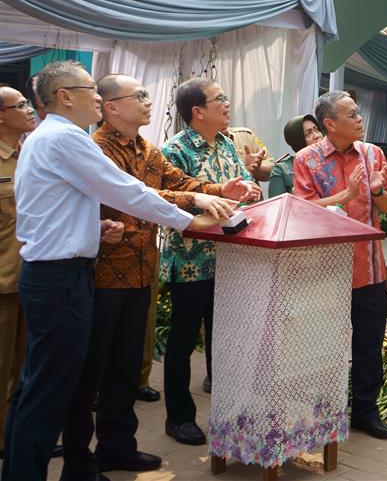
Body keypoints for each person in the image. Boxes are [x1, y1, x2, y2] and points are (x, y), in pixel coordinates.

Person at [3, 61, 224, 481]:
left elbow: (57, 206)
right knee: (48, 392)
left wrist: (93, 228)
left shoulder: (50, 137)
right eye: (91, 89)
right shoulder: (67, 139)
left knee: (39, 386)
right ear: (65, 96)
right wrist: (188, 220)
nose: (99, 98)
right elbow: (125, 190)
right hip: (60, 278)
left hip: (58, 272)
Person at [60, 75, 254, 478]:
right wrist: (197, 198)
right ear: (111, 107)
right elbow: (133, 193)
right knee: (91, 371)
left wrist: (218, 188)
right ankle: (79, 459)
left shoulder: (146, 149)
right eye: (141, 96)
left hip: (141, 269)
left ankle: (118, 447)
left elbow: (176, 182)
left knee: (127, 368)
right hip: (103, 273)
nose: (150, 102)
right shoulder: (98, 148)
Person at [160, 78, 260, 446]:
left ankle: (228, 408)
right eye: (220, 99)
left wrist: (250, 188)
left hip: (230, 259)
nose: (227, 104)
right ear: (197, 111)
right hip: (190, 261)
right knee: (184, 340)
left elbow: (245, 184)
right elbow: (170, 204)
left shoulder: (228, 144)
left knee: (227, 336)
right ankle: (179, 418)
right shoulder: (175, 151)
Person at [293, 91, 387, 439]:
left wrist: (379, 190)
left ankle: (366, 412)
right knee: (323, 347)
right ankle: (323, 415)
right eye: (351, 114)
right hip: (325, 273)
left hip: (369, 268)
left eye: (358, 112)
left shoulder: (373, 154)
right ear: (330, 123)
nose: (359, 118)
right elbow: (304, 212)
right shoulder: (307, 159)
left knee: (369, 345)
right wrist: (345, 196)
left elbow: (385, 208)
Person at [0, 85, 36, 455]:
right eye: (21, 105)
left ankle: (14, 438)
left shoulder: (30, 153)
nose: (30, 109)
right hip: (2, 282)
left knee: (26, 367)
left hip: (32, 277)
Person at [268, 114, 323, 197]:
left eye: (317, 129)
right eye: (308, 134)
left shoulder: (335, 159)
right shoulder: (282, 170)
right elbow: (276, 207)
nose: (317, 136)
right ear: (298, 140)